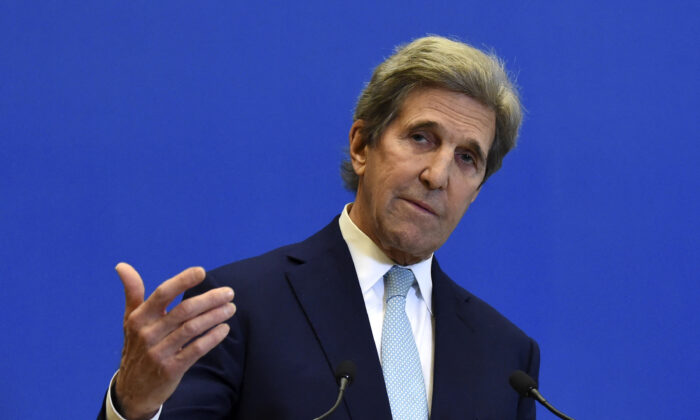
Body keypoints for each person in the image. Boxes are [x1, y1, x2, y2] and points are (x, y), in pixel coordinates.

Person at [99, 35, 539, 420]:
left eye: (467, 158)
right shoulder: (238, 310)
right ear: (361, 146)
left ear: (477, 189)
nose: (437, 175)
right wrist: (135, 408)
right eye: (422, 137)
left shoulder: (507, 357)